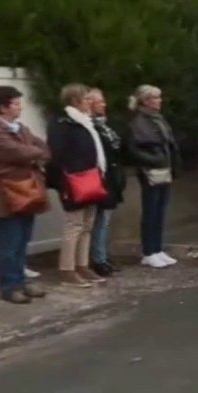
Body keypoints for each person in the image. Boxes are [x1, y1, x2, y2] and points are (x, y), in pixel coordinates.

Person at [0, 85, 51, 304]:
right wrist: (34, 154)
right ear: (3, 107)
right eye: (16, 103)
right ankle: (9, 286)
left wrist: (34, 153)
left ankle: (21, 281)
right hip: (6, 194)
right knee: (8, 243)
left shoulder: (20, 128)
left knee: (22, 241)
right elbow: (18, 152)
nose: (20, 107)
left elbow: (43, 148)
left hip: (27, 191)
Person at [47, 84, 109, 288]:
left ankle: (82, 265)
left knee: (87, 225)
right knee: (74, 225)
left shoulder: (85, 122)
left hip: (93, 178)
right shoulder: (62, 123)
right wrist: (70, 176)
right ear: (74, 101)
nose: (89, 103)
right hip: (75, 180)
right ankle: (67, 269)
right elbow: (57, 154)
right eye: (85, 100)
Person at [127, 85, 180, 269]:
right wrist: (155, 160)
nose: (160, 101)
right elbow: (134, 149)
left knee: (160, 210)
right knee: (151, 211)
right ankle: (148, 251)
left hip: (163, 168)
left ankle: (158, 248)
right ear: (146, 101)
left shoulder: (158, 119)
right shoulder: (138, 122)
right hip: (150, 170)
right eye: (156, 98)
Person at [86, 88, 126, 277]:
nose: (104, 104)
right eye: (99, 101)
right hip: (100, 179)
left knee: (105, 221)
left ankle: (102, 256)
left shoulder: (105, 126)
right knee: (99, 222)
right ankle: (98, 259)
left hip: (112, 177)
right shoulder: (90, 127)